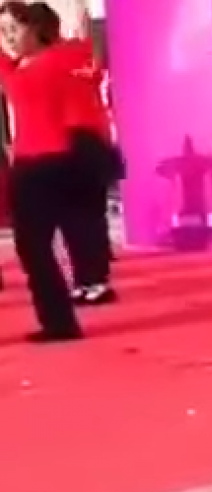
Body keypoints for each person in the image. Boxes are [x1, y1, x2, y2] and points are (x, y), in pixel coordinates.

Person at [27, 1, 120, 306]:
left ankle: (93, 280)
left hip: (78, 140)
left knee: (82, 216)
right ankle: (89, 279)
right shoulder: (75, 52)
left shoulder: (50, 61)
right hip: (84, 139)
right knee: (83, 215)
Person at [0, 0, 83, 342]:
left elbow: (80, 49)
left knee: (37, 245)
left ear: (34, 28)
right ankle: (57, 320)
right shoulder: (18, 67)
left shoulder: (54, 61)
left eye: (14, 29)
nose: (9, 37)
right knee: (31, 247)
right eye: (4, 32)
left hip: (52, 161)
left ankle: (61, 321)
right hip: (27, 164)